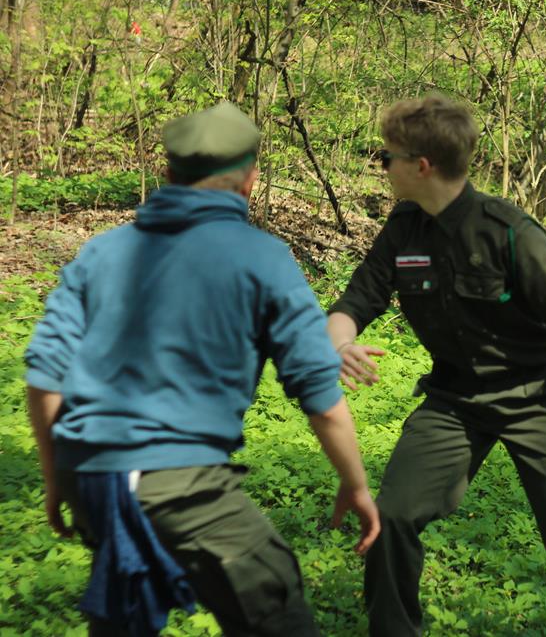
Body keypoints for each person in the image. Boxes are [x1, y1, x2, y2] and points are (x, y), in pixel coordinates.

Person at [25, 102, 380, 636]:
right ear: (251, 180)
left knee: (126, 615)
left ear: (168, 174)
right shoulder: (263, 258)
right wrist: (356, 485)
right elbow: (321, 398)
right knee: (274, 600)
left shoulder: (102, 252)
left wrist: (59, 478)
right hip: (178, 480)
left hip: (90, 475)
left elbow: (44, 377)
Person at [328, 93, 546, 636]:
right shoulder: (404, 228)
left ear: (421, 166)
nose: (381, 166)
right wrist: (338, 345)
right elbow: (356, 301)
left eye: (387, 157)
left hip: (535, 399)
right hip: (453, 401)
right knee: (393, 517)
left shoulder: (508, 231)